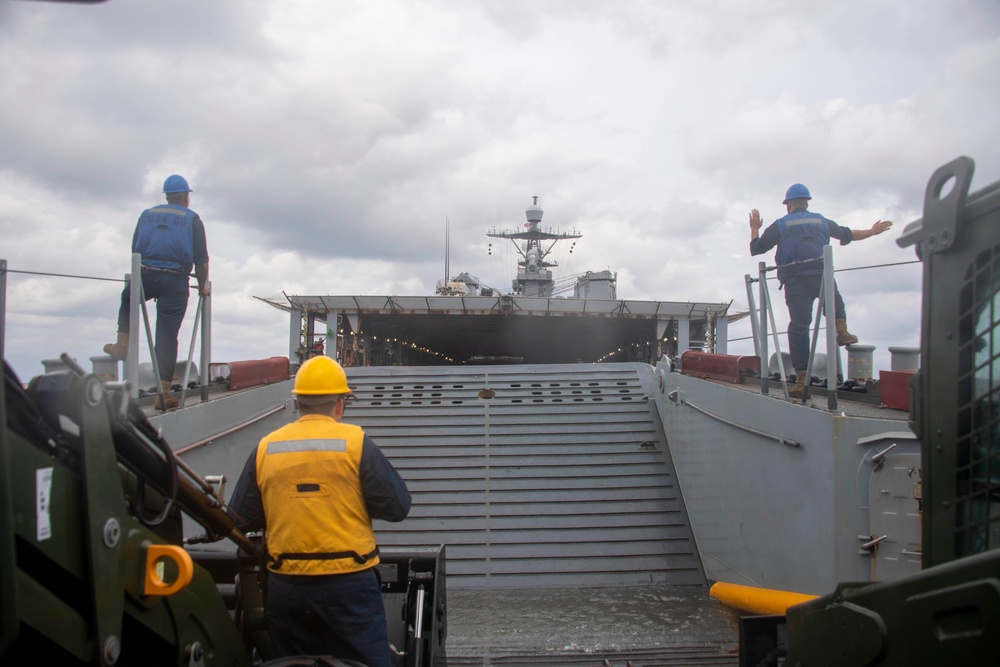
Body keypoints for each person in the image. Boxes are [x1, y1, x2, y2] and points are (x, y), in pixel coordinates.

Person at [228, 356, 412, 667]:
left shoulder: (266, 447)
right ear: (340, 403)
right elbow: (397, 507)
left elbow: (239, 520)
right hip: (349, 587)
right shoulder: (356, 444)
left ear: (297, 402)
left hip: (286, 590)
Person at [749, 183, 892, 397]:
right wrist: (872, 231)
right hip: (821, 276)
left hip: (796, 280)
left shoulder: (781, 225)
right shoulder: (821, 221)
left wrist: (754, 228)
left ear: (788, 205)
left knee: (799, 328)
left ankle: (800, 383)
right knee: (835, 302)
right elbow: (848, 234)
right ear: (807, 203)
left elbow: (756, 249)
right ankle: (842, 331)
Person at [103, 174, 210, 409]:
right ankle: (163, 395)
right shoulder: (192, 219)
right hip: (175, 281)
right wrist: (203, 287)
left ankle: (122, 343)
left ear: (166, 195)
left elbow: (135, 250)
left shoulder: (146, 214)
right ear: (185, 196)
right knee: (166, 334)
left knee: (127, 298)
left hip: (146, 274)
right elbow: (201, 261)